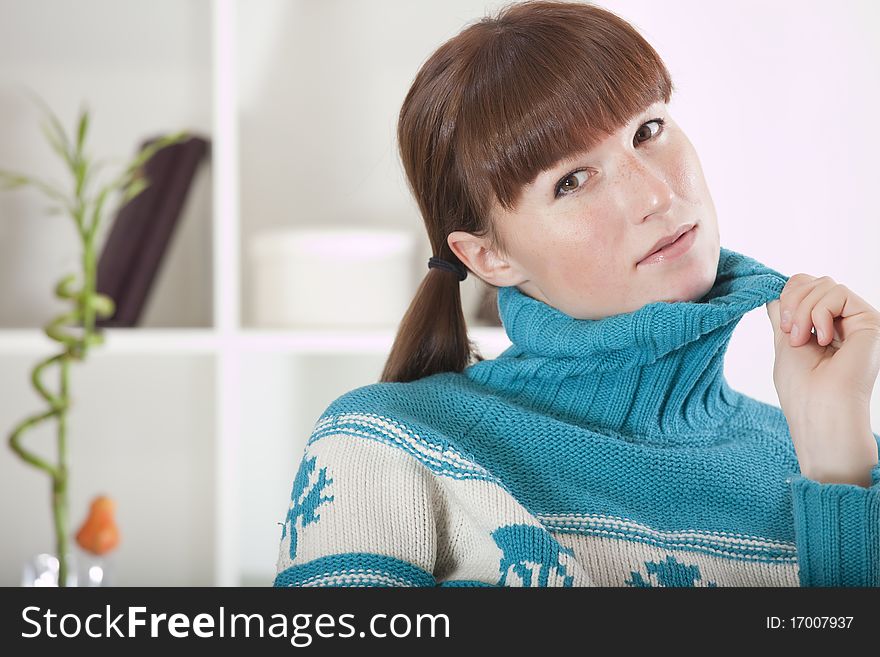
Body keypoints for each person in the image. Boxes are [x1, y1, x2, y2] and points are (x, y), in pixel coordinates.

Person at [274, 0, 880, 587]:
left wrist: (836, 461)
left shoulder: (837, 458)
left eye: (649, 130)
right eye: (572, 181)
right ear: (490, 256)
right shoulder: (387, 446)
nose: (656, 196)